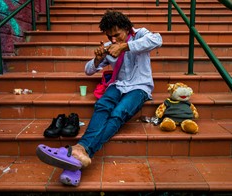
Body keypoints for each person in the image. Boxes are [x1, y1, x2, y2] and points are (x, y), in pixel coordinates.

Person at [36, 9, 163, 186]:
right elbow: (88, 70)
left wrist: (124, 46)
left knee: (118, 114)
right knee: (102, 105)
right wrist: (97, 60)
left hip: (140, 87)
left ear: (126, 29)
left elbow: (158, 40)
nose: (113, 40)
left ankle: (82, 150)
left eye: (117, 35)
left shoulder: (140, 34)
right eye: (110, 36)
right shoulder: (109, 46)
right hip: (117, 85)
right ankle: (80, 154)